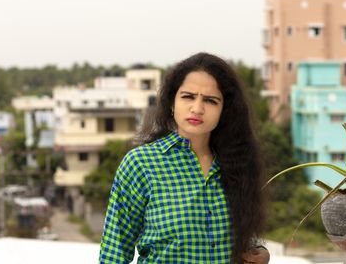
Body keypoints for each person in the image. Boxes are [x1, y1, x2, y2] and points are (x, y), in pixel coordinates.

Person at [99, 52, 269, 263]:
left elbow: (243, 236)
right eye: (188, 96)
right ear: (172, 102)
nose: (197, 109)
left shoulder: (238, 163)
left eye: (210, 100)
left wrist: (259, 251)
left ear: (224, 110)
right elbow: (114, 253)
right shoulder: (141, 163)